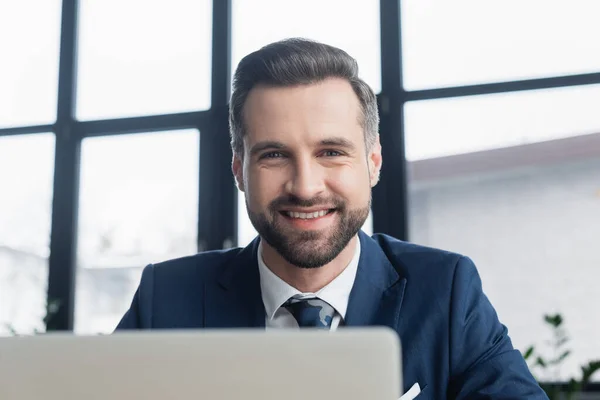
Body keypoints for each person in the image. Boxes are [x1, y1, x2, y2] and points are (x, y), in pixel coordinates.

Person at [116, 38, 548, 399]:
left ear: (373, 161)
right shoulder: (165, 300)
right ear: (238, 170)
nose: (305, 187)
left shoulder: (446, 290)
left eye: (331, 152)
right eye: (274, 155)